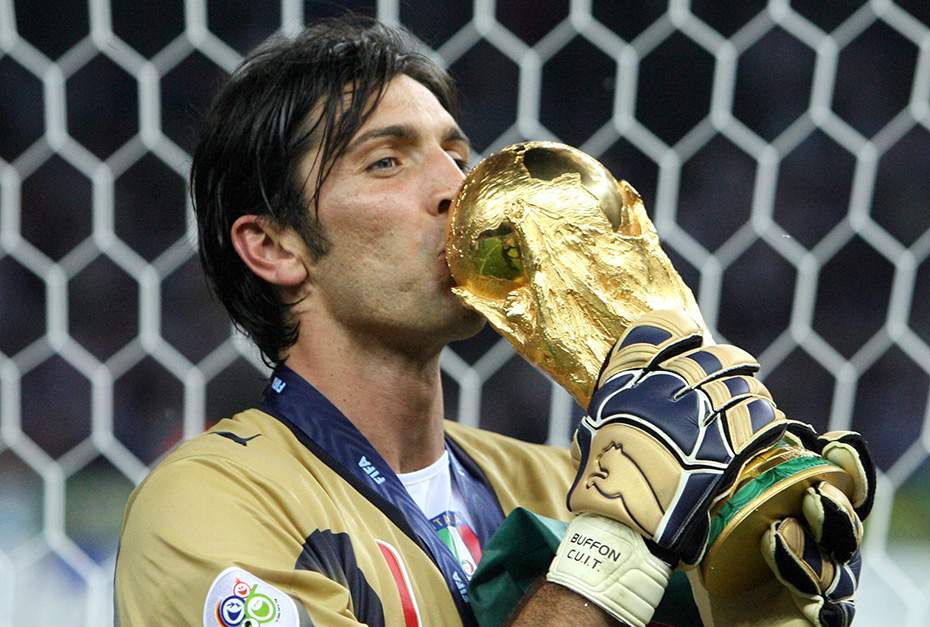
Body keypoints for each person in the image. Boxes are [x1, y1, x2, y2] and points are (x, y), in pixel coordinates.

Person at [114, 16, 872, 627]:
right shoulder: (211, 506)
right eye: (386, 162)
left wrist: (756, 595)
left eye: (456, 153)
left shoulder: (562, 483)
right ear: (273, 246)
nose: (459, 189)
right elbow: (609, 549)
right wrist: (607, 552)